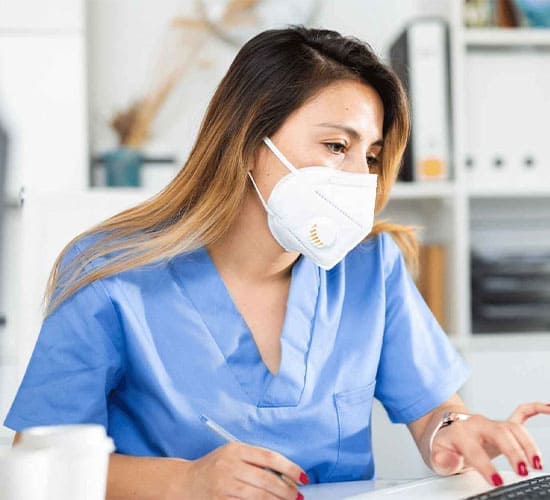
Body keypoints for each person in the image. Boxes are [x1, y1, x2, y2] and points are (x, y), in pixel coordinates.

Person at [4, 25, 550, 500]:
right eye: (336, 146)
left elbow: (434, 411)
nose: (359, 177)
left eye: (371, 155)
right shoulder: (111, 273)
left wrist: (453, 430)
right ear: (248, 141)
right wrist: (186, 483)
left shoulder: (368, 267)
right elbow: (40, 459)